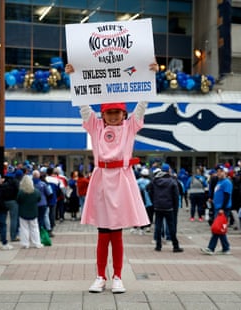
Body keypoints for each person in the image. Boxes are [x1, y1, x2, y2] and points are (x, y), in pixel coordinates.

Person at [65, 62, 157, 294]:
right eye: (109, 112)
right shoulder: (95, 127)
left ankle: (117, 276)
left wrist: (151, 75)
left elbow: (142, 106)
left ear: (123, 113)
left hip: (122, 179)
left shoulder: (130, 126)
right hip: (102, 180)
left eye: (117, 112)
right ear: (103, 113)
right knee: (103, 232)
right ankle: (100, 276)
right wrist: (74, 77)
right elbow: (84, 105)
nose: (114, 116)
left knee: (116, 232)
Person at [148, 163, 184, 253]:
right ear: (168, 170)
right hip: (169, 207)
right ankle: (175, 246)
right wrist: (175, 207)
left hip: (158, 206)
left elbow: (149, 190)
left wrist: (154, 201)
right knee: (171, 226)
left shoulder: (155, 180)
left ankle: (158, 246)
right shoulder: (172, 181)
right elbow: (176, 195)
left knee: (158, 225)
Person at [16, 174, 43, 249]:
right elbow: (39, 199)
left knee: (24, 228)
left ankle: (25, 243)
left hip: (23, 212)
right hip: (33, 211)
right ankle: (37, 243)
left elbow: (18, 200)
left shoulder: (21, 192)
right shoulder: (36, 192)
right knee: (34, 228)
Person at [33, 169, 54, 237]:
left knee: (36, 218)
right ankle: (45, 230)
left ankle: (36, 232)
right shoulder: (43, 184)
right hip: (43, 203)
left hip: (34, 203)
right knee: (43, 217)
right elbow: (49, 193)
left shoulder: (31, 184)